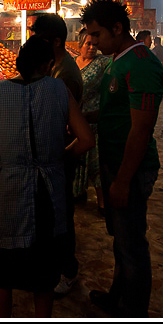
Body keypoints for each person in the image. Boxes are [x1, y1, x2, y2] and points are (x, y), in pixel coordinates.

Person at [0, 36, 95, 318]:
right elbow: (86, 139)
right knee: (44, 277)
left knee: (2, 275)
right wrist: (59, 158)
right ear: (48, 65)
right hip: (47, 192)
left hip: (8, 192)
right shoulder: (58, 88)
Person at [80, 0, 163, 318]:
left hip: (130, 168)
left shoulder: (141, 64)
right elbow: (113, 113)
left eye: (98, 34)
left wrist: (123, 181)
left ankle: (133, 311)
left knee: (132, 245)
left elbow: (141, 129)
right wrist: (80, 117)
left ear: (118, 28)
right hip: (113, 161)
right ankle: (118, 297)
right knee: (120, 241)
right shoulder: (118, 59)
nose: (93, 41)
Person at [28, 12, 83, 296]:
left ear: (57, 41)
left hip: (59, 155)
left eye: (40, 39)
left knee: (61, 216)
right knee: (51, 215)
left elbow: (73, 126)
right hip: (50, 155)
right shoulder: (54, 67)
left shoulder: (67, 76)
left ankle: (68, 270)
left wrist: (62, 155)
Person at [73, 29, 110, 215]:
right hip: (74, 120)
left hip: (94, 119)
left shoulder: (104, 63)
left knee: (96, 163)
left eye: (95, 45)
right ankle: (77, 193)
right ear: (80, 44)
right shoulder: (72, 64)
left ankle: (103, 203)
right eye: (88, 44)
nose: (92, 48)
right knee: (76, 160)